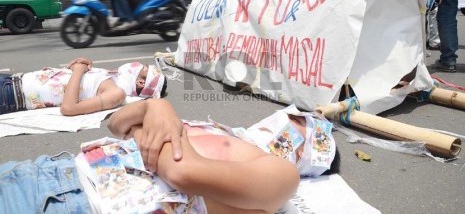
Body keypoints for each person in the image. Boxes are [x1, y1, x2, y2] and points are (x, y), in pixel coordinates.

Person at [0, 99, 340, 213]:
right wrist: (155, 106)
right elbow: (117, 124)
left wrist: (152, 124)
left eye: (300, 130)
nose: (285, 124)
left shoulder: (281, 177)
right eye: (292, 118)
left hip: (72, 204)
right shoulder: (226, 133)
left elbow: (182, 172)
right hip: (49, 170)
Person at [0, 58, 167, 116]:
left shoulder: (116, 93)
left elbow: (69, 108)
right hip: (13, 81)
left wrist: (79, 71)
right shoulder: (112, 78)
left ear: (140, 82)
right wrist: (79, 65)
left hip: (10, 95)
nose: (136, 64)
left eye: (142, 67)